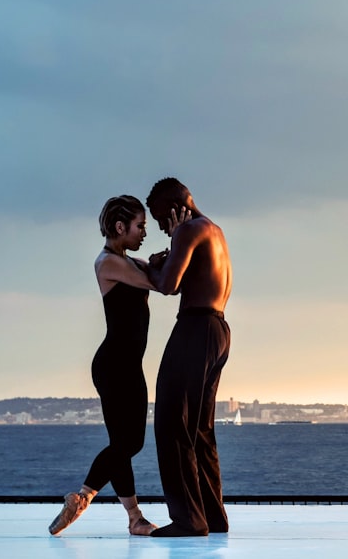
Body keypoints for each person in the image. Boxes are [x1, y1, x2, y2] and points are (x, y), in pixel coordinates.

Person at [48, 195, 187, 536]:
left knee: (124, 444)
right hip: (113, 366)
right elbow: (162, 283)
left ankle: (134, 519)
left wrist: (157, 260)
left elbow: (156, 271)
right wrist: (178, 240)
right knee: (128, 443)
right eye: (139, 226)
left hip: (128, 366)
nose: (143, 232)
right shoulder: (107, 263)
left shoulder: (128, 261)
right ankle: (82, 497)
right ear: (120, 227)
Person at [145, 177, 233, 537]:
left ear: (171, 211)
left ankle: (188, 519)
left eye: (160, 221)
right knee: (200, 430)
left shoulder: (187, 230)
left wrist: (152, 265)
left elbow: (167, 285)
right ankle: (213, 517)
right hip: (219, 331)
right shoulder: (214, 230)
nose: (163, 230)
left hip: (195, 328)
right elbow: (182, 278)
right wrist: (168, 258)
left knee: (171, 423)